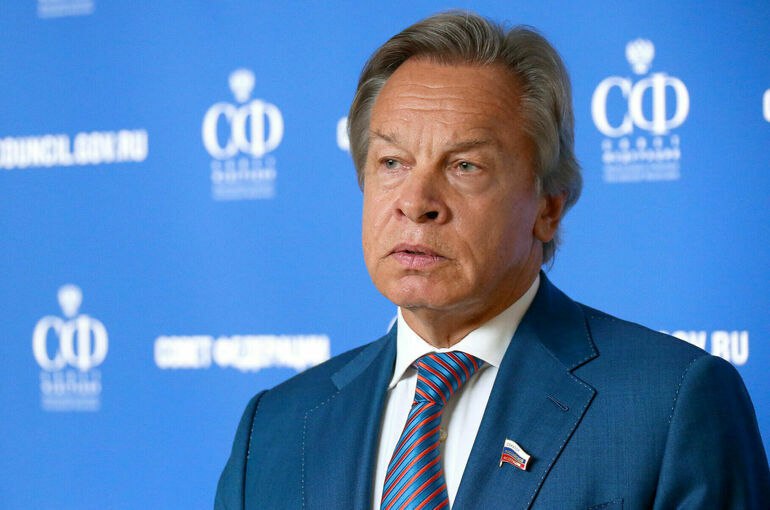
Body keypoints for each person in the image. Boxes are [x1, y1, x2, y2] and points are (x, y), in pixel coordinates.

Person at [215, 11, 769, 509]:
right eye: (392, 162)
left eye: (465, 166)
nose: (416, 202)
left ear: (547, 208)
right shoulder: (274, 429)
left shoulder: (670, 406)